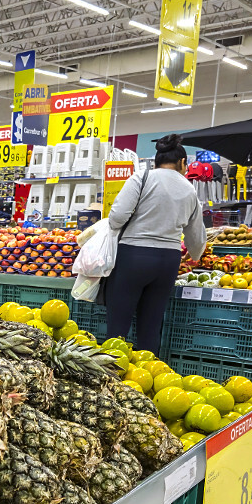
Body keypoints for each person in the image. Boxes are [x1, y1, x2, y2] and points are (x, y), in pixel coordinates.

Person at [105, 134, 206, 353]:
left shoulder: (141, 178)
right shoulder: (189, 189)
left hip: (134, 256)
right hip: (168, 261)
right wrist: (196, 255)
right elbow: (197, 240)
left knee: (119, 323)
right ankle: (148, 370)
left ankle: (113, 369)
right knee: (151, 326)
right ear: (182, 162)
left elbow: (117, 217)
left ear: (156, 160)